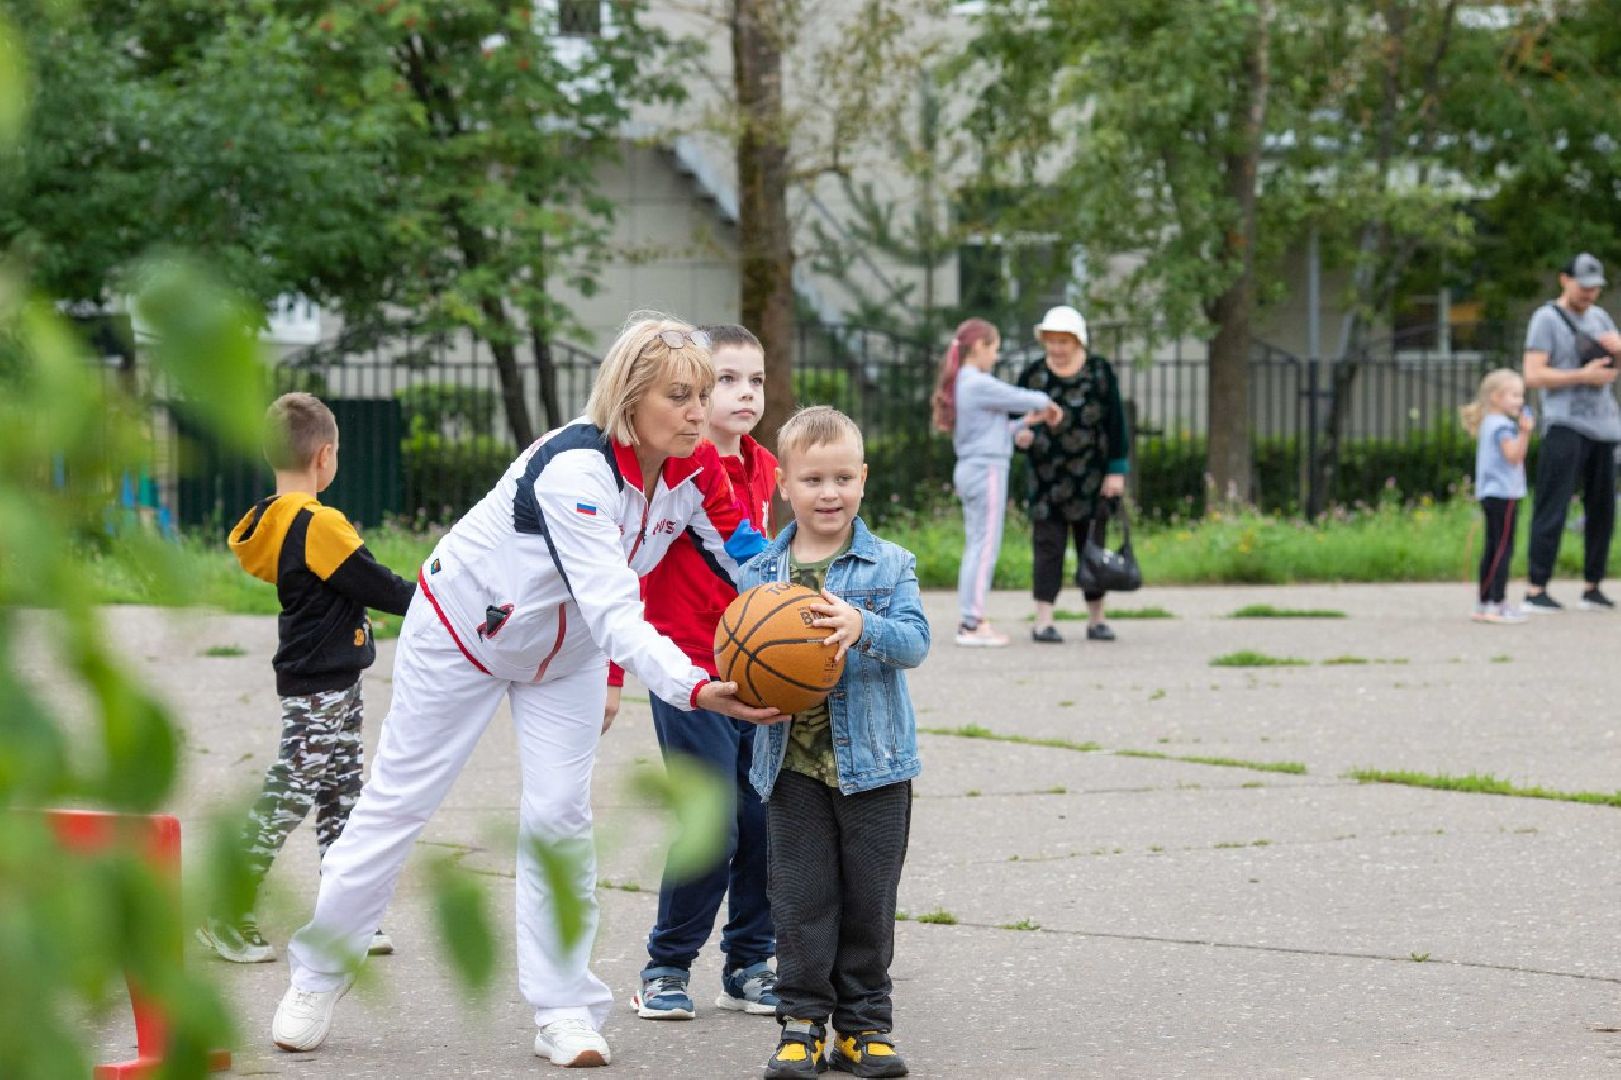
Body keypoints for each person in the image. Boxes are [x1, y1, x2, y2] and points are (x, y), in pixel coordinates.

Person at [270, 316, 781, 1069]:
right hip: (462, 634)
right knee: (397, 803)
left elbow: (748, 558)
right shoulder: (575, 470)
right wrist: (695, 687)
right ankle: (316, 976)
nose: (698, 413)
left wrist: (811, 607)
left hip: (565, 656)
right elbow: (616, 611)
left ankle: (563, 1010)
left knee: (560, 819)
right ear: (629, 397)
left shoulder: (698, 468)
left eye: (703, 396)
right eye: (679, 396)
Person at [743, 406, 930, 1080]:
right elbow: (740, 659)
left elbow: (915, 643)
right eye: (813, 479)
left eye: (843, 478)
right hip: (791, 771)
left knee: (868, 902)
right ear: (783, 484)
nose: (830, 493)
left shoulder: (890, 564)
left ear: (863, 479)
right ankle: (799, 1026)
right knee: (799, 902)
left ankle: (864, 1027)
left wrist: (863, 625)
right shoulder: (760, 574)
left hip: (875, 770)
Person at [602, 325, 782, 1021]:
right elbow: (620, 579)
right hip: (684, 667)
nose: (741, 394)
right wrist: (612, 676)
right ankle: (666, 967)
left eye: (753, 380)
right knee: (713, 825)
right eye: (723, 380)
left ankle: (749, 963)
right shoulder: (676, 466)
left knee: (763, 820)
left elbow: (761, 564)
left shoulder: (765, 466)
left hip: (756, 667)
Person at [200, 392, 416, 965]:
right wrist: (437, 597)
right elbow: (375, 583)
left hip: (332, 674)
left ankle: (345, 917)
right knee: (291, 791)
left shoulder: (275, 519)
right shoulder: (317, 522)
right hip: (320, 680)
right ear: (325, 456)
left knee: (341, 793)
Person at [931, 317, 1063, 647]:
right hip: (986, 471)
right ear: (979, 346)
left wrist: (1023, 424)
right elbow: (1021, 396)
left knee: (977, 545)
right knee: (985, 547)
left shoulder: (964, 383)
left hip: (975, 467)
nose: (996, 357)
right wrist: (1045, 405)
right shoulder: (977, 382)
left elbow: (990, 432)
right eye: (994, 349)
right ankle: (972, 623)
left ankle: (971, 618)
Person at [1013, 305, 1130, 643]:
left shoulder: (1099, 372)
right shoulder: (1033, 375)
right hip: (1046, 480)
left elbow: (1116, 424)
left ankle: (1097, 619)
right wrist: (1020, 436)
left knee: (1092, 548)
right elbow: (1014, 419)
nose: (1057, 348)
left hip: (1092, 480)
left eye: (1063, 341)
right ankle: (1044, 621)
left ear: (1078, 341)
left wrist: (1116, 471)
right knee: (1047, 549)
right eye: (1051, 341)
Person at [1521, 253, 1621, 613]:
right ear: (1565, 280)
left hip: (1605, 426)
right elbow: (1533, 374)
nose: (1589, 294)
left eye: (1595, 288)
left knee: (1603, 510)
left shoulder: (1601, 318)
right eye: (1583, 286)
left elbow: (1611, 368)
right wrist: (1582, 376)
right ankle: (1536, 588)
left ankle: (1592, 587)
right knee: (1553, 504)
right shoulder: (1546, 319)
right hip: (1565, 423)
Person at [1462, 370, 1534, 624]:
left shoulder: (1488, 423)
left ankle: (1483, 603)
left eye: (1521, 395)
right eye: (1514, 395)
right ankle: (1497, 604)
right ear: (1495, 397)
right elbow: (1514, 456)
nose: (1520, 401)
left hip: (1490, 493)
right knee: (1503, 549)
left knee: (1492, 548)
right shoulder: (1503, 425)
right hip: (1505, 493)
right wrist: (1525, 432)